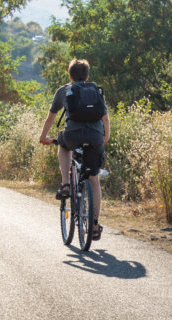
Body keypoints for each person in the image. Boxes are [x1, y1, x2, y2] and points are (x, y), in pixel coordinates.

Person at [39, 58, 110, 240]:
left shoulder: (64, 91)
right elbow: (105, 119)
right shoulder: (96, 90)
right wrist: (105, 138)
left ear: (69, 75)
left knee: (63, 145)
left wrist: (43, 137)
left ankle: (65, 183)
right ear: (87, 76)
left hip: (72, 135)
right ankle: (94, 226)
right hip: (95, 138)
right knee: (94, 180)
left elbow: (50, 118)